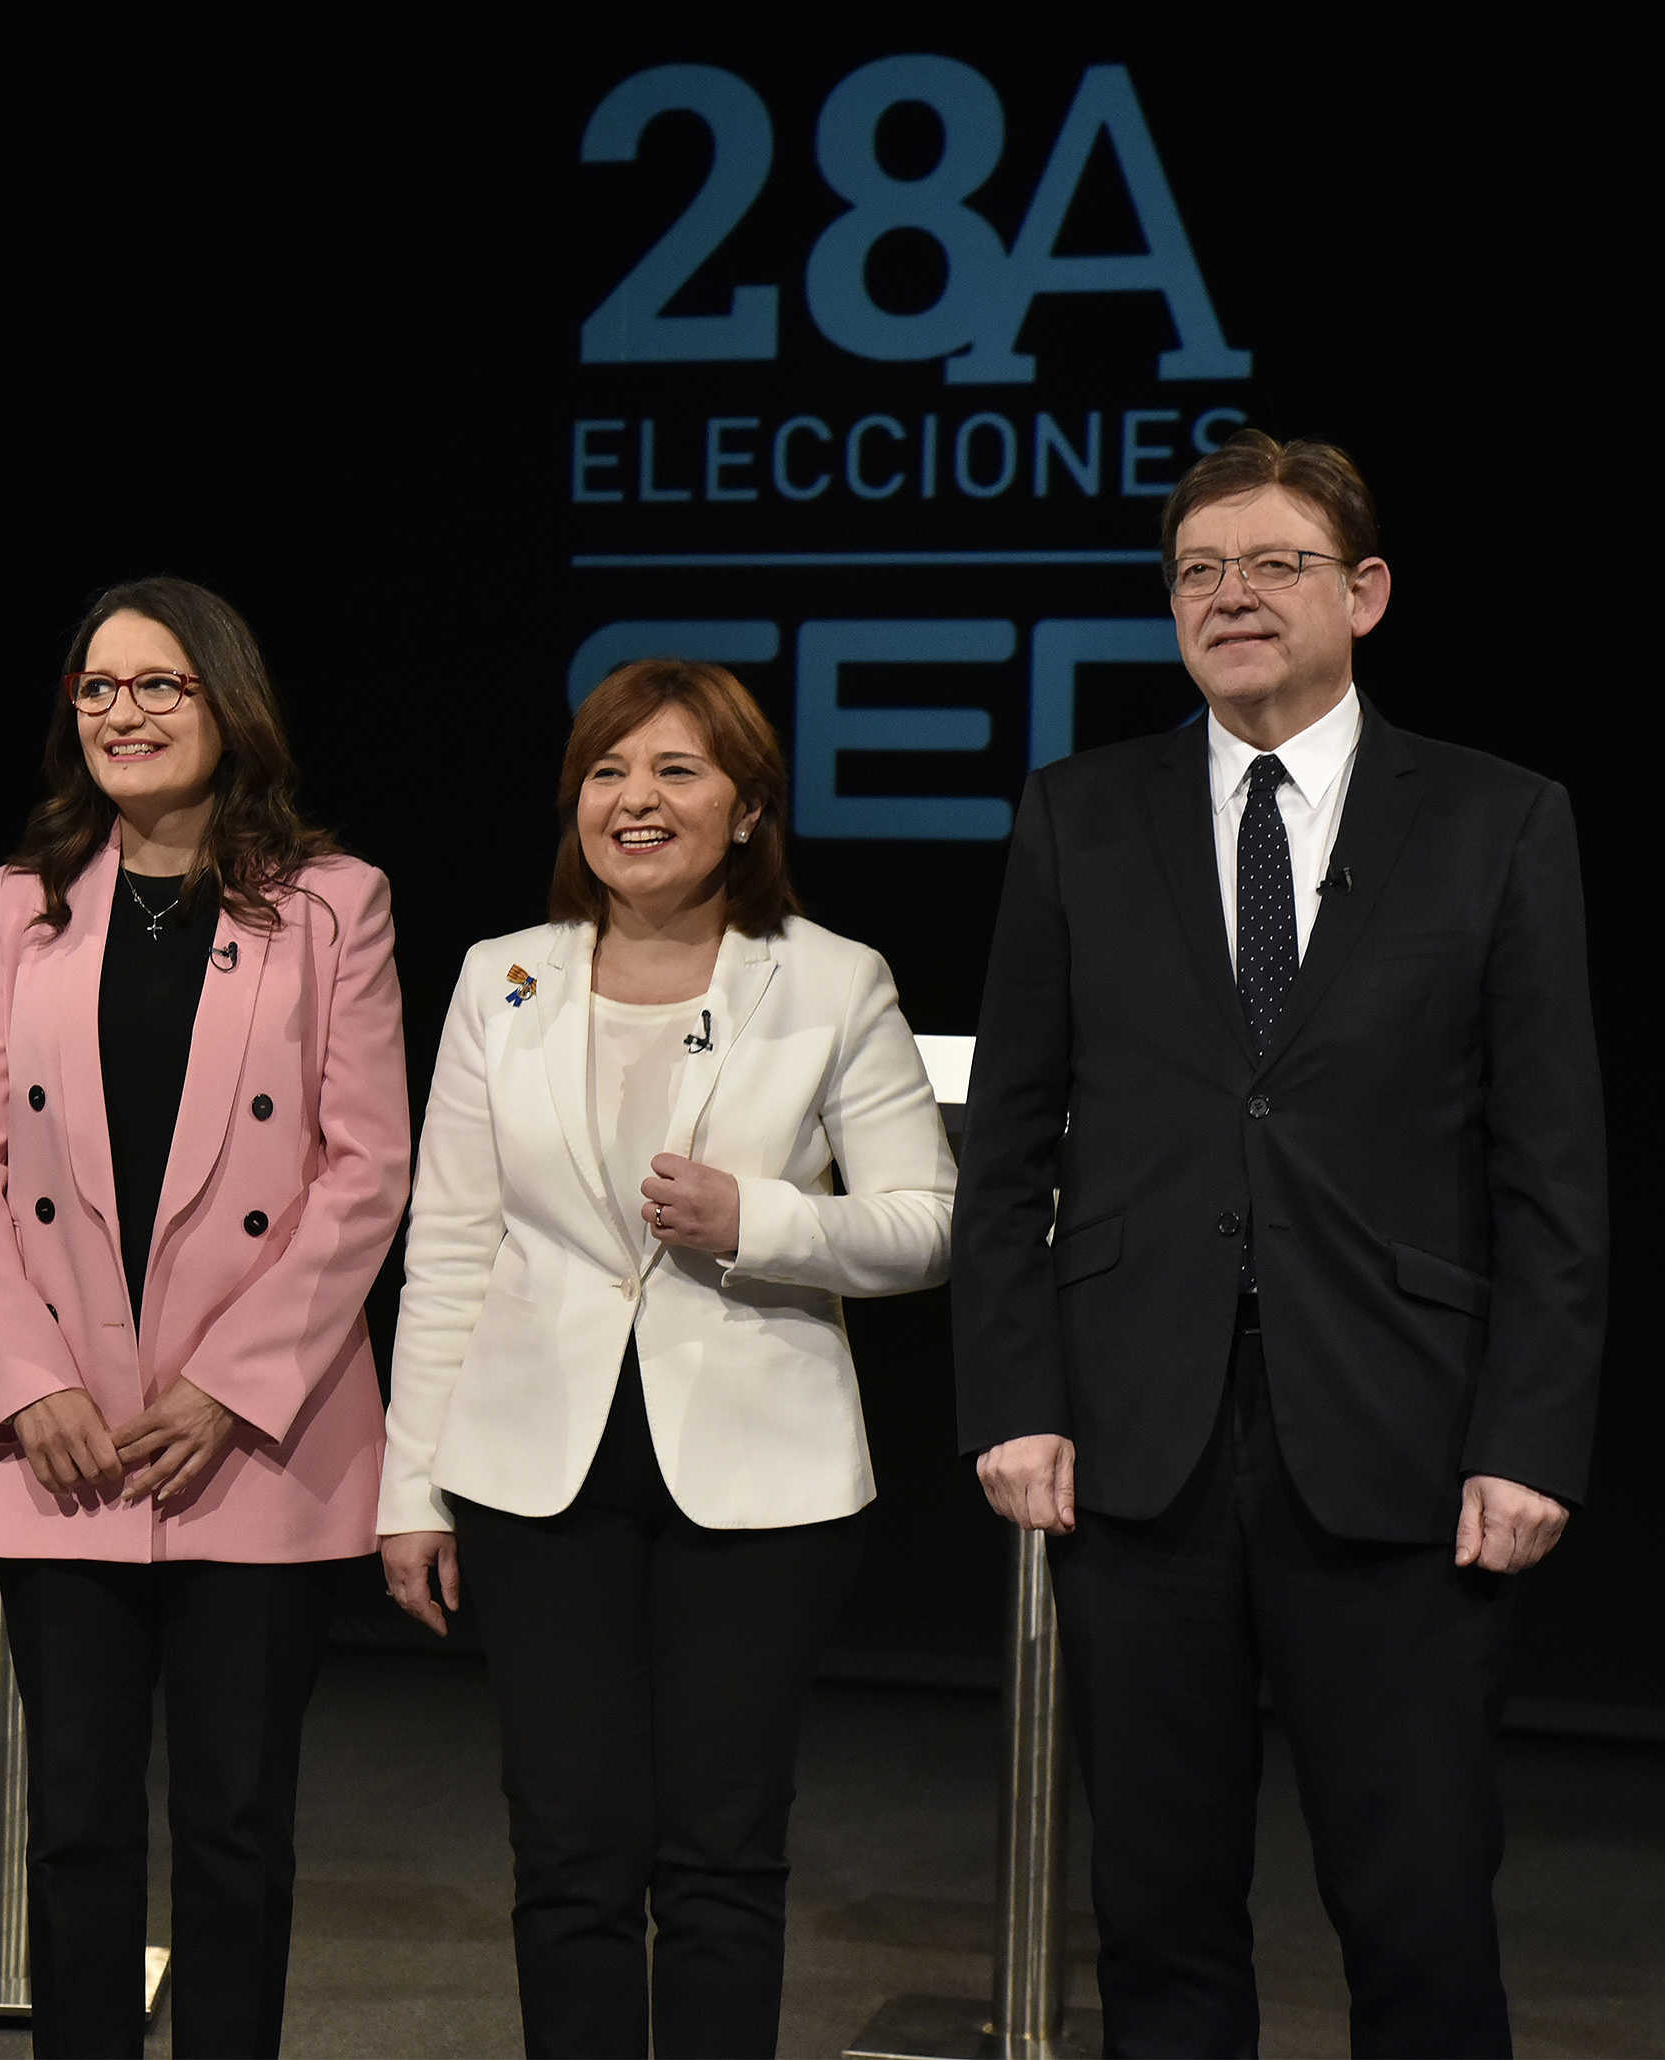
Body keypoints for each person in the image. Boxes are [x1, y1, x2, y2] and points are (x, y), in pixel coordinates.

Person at [953, 431, 1605, 2058]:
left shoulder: (1498, 820)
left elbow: (1553, 1168)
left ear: (1365, 594)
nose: (1230, 597)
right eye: (1198, 572)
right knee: (1160, 1921)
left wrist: (1529, 1436)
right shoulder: (1078, 814)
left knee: (1423, 1909)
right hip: (1137, 1442)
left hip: (1403, 1441)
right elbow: (1012, 1141)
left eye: (1274, 566)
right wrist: (1012, 1396)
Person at [379, 660, 953, 2059]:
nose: (636, 800)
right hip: (534, 1468)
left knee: (720, 1855)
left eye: (678, 772)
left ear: (749, 805)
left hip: (762, 1478)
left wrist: (755, 1219)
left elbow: (927, 1223)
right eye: (608, 772)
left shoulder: (830, 981)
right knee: (568, 1853)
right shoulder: (498, 977)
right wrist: (411, 1486)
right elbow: (448, 1241)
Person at [0, 577, 409, 2059]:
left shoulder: (336, 902)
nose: (123, 713)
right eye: (98, 689)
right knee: (73, 1831)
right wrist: (28, 1381)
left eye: (158, 686)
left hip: (252, 1447)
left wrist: (232, 1389)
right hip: (61, 1438)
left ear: (226, 704)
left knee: (234, 1829)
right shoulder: (29, 900)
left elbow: (364, 1166)